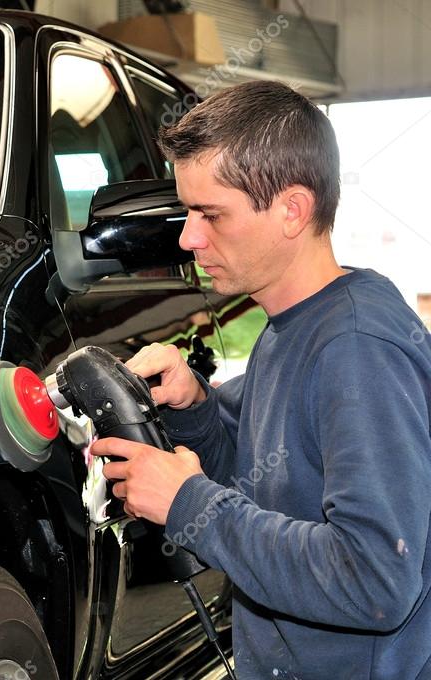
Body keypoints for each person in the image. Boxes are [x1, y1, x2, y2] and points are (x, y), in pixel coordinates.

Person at [90, 80, 431, 679]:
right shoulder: (291, 327)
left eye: (210, 214)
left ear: (292, 210)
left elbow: (375, 579)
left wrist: (189, 504)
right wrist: (196, 405)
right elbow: (262, 475)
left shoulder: (357, 349)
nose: (188, 237)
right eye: (188, 211)